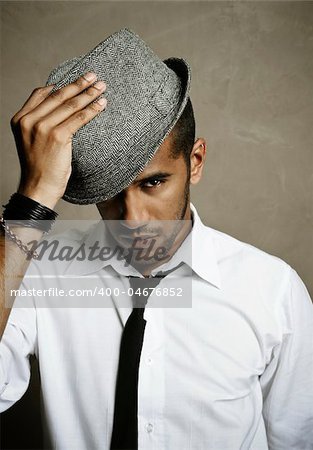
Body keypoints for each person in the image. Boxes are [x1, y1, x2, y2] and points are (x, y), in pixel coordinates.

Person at [0, 29, 312, 450]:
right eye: (109, 193)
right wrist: (32, 200)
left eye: (153, 183)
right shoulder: (38, 270)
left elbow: (295, 440)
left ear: (195, 161)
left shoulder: (272, 290)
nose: (132, 220)